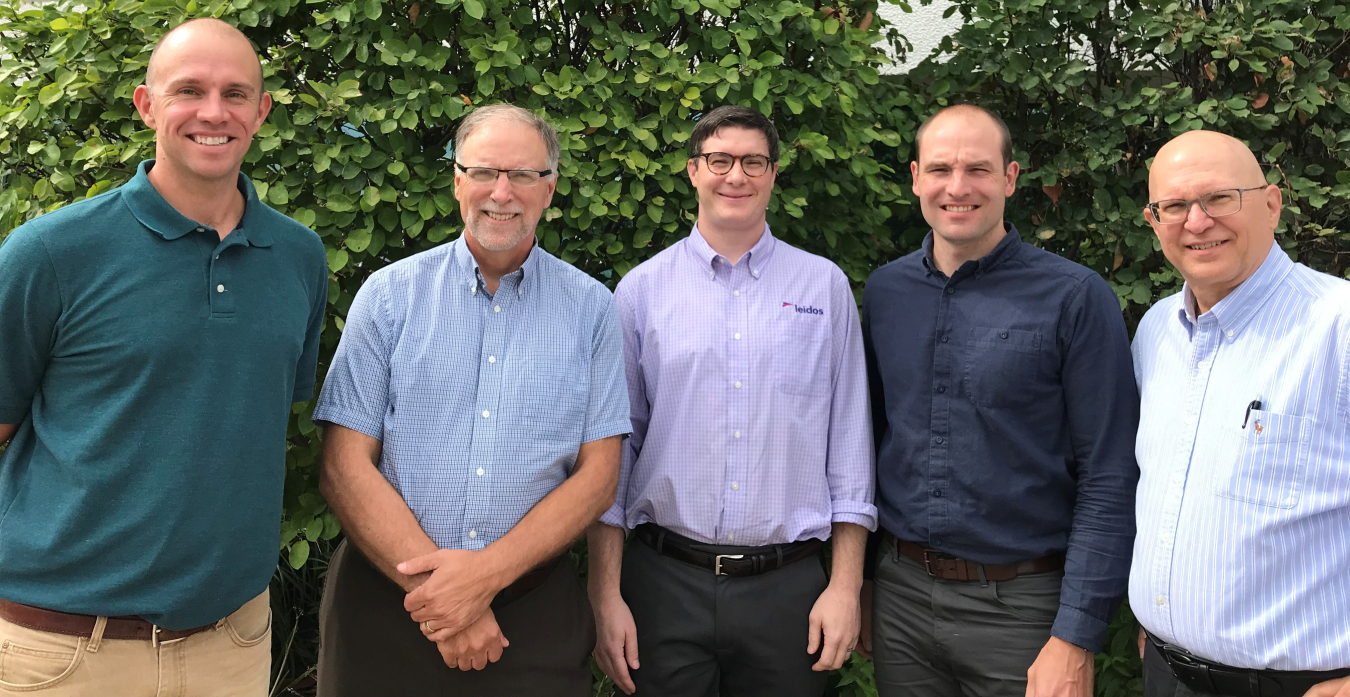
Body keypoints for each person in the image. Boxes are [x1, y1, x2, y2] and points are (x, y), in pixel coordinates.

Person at [0, 17, 328, 696]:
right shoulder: (51, 254)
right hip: (59, 650)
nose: (214, 112)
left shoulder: (298, 258)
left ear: (262, 112)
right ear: (147, 105)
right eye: (189, 90)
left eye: (236, 93)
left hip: (228, 645)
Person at [313, 103, 631, 697]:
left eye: (524, 176)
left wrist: (482, 579)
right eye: (484, 172)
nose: (501, 193)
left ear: (550, 188)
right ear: (457, 180)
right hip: (384, 612)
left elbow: (599, 476)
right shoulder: (388, 296)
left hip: (531, 620)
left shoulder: (592, 310)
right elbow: (342, 464)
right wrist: (444, 599)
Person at [587, 104, 876, 697]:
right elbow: (612, 458)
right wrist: (605, 595)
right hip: (665, 584)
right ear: (693, 170)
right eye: (720, 160)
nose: (735, 176)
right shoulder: (640, 292)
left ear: (774, 173)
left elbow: (850, 450)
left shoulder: (824, 287)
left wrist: (845, 589)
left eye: (753, 161)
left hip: (788, 589)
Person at [861, 103, 1138, 697]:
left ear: (1010, 179)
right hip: (901, 599)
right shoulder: (886, 293)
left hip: (1026, 611)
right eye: (940, 169)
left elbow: (1109, 472)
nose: (957, 187)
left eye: (978, 169)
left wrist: (1077, 634)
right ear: (915, 178)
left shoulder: (1075, 298)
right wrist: (860, 584)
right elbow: (871, 439)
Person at [1131, 129, 1350, 697]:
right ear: (1153, 221)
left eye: (1221, 198)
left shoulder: (1338, 326)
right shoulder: (1156, 332)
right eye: (1173, 206)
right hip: (1167, 674)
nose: (1196, 222)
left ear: (1271, 203)